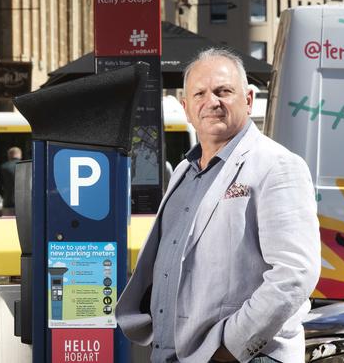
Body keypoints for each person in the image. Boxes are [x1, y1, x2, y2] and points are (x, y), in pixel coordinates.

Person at [116, 48, 321, 363]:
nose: (211, 102)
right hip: (171, 353)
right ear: (186, 108)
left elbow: (295, 273)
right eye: (199, 93)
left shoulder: (276, 164)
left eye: (224, 91)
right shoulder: (184, 170)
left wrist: (229, 348)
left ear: (248, 100)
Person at [0, 147, 22, 216]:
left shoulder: (4, 167)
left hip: (8, 202)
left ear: (9, 155)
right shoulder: (27, 166)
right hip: (24, 203)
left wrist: (4, 195)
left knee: (9, 224)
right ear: (20, 155)